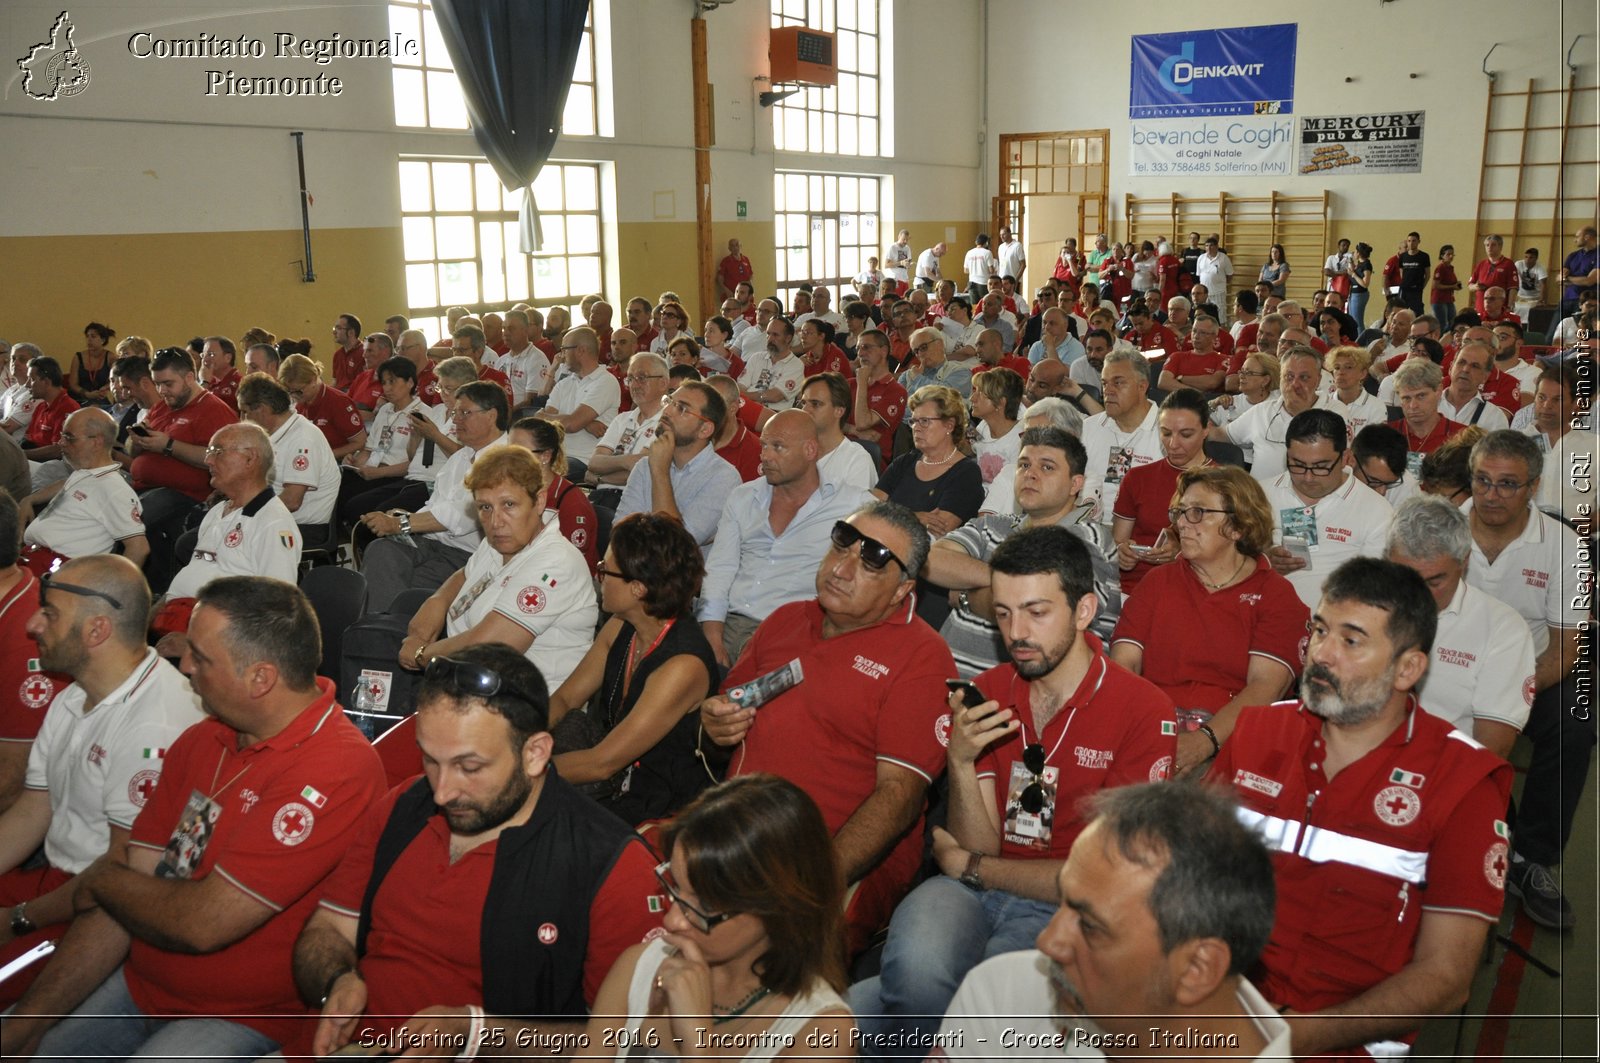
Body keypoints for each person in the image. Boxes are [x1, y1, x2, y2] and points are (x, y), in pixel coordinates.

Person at [1, 577, 385, 1060]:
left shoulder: (333, 767)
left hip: (241, 1013)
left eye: (200, 658)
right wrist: (30, 1020)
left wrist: (100, 883)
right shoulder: (205, 738)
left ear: (260, 678)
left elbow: (201, 923)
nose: (183, 666)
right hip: (142, 980)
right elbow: (127, 884)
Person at [851, 525, 1175, 1052]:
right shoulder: (992, 690)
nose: (1016, 632)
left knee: (989, 998)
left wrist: (974, 868)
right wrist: (960, 761)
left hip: (1066, 910)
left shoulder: (1143, 710)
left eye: (1035, 612)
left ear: (1085, 611)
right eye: (1002, 613)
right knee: (911, 973)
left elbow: (1103, 883)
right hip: (969, 891)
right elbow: (976, 845)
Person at [1210, 558, 1512, 1059]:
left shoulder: (1463, 784)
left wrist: (1290, 1038)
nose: (1321, 655)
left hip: (1344, 1041)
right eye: (1320, 629)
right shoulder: (1259, 731)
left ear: (1408, 669)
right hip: (1220, 1000)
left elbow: (1446, 977)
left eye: (1351, 641)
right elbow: (1184, 873)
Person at [296, 643, 661, 1058]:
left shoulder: (610, 865)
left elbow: (631, 1044)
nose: (442, 790)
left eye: (470, 768)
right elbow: (327, 930)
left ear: (535, 753)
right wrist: (338, 979)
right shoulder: (405, 805)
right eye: (431, 760)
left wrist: (476, 1034)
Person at [700, 502, 955, 953]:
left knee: (756, 955)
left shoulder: (923, 658)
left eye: (873, 558)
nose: (842, 566)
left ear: (902, 590)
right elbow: (724, 712)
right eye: (842, 542)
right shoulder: (786, 620)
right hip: (738, 832)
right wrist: (715, 724)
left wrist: (814, 883)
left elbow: (898, 798)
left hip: (834, 857)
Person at [936, 782, 1290, 1062]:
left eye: (1090, 926)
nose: (1048, 942)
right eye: (1064, 903)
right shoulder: (1004, 993)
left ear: (1197, 968)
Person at [0, 556, 201, 1003]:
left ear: (96, 631)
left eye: (49, 613)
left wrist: (17, 918)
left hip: (93, 909)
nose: (33, 624)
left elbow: (120, 872)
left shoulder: (155, 726)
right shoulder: (76, 692)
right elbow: (35, 808)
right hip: (54, 882)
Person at [589, 775, 852, 1057]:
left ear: (778, 909)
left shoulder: (822, 1032)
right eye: (675, 886)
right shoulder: (639, 966)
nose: (672, 921)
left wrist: (698, 1045)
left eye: (705, 905)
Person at [1463, 431, 1591, 930]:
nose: (1492, 494)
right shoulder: (1441, 529)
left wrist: (1506, 697)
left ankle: (1532, 858)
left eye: (1508, 484)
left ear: (1534, 487)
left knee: (1575, 725)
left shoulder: (1567, 548)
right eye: (1482, 481)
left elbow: (1566, 649)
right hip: (1447, 667)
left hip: (1533, 673)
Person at [1111, 467, 1308, 777]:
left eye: (1198, 513)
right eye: (1179, 512)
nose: (1181, 525)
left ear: (1238, 527)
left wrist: (1205, 741)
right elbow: (1124, 668)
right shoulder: (1157, 582)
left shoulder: (1276, 596)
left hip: (1230, 743)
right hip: (1151, 732)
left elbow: (1265, 687)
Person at [544, 514, 719, 824]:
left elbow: (603, 763)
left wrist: (517, 771)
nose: (599, 575)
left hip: (658, 803)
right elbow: (565, 700)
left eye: (605, 570)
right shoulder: (621, 625)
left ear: (637, 588)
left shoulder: (684, 665)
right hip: (614, 777)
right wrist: (515, 741)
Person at [399, 446, 596, 693]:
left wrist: (420, 653)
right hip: (470, 684)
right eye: (485, 507)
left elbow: (490, 649)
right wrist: (437, 602)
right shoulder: (503, 539)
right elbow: (464, 575)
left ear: (539, 501)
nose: (495, 521)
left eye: (509, 504)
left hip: (523, 704)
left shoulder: (555, 562)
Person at [932, 428, 1120, 679]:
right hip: (946, 683)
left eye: (1047, 467)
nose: (1030, 474)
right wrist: (1007, 581)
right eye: (1023, 465)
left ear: (1076, 483)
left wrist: (967, 589)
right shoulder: (992, 525)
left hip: (1028, 697)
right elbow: (932, 559)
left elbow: (1044, 614)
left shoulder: (1088, 538)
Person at [700, 409, 874, 665]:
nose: (765, 457)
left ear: (810, 450)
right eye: (764, 446)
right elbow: (719, 569)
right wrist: (712, 635)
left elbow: (909, 543)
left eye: (778, 447)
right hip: (727, 621)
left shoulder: (851, 505)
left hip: (791, 634)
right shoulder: (743, 496)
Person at [1385, 496, 1535, 758]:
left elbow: (1492, 748)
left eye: (1434, 581)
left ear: (1464, 561)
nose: (1418, 595)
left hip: (1446, 769)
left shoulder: (1503, 629)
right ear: (1387, 559)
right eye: (1404, 578)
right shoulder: (1360, 607)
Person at [360, 381, 510, 613]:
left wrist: (400, 524)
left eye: (464, 413)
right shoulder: (462, 457)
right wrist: (408, 518)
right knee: (380, 550)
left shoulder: (506, 459)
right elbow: (436, 503)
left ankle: (382, 632)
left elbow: (464, 516)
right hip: (432, 543)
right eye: (455, 413)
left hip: (468, 556)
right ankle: (380, 629)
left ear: (491, 416)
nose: (456, 420)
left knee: (403, 587)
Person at [126, 347, 238, 592]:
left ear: (189, 378)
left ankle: (131, 588)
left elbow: (219, 458)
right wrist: (139, 441)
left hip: (184, 493)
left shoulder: (214, 410)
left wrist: (168, 445)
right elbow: (134, 454)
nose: (162, 391)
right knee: (103, 502)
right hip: (145, 484)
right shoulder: (165, 405)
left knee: (129, 521)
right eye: (158, 384)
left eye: (168, 384)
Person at [1260, 408, 1394, 611]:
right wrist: (1263, 561)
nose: (1308, 477)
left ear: (1346, 458)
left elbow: (1374, 590)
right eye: (1297, 464)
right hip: (1263, 617)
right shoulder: (1258, 495)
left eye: (1321, 466)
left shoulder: (1377, 511)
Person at [163, 422, 303, 605]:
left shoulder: (273, 522)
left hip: (217, 629)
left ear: (250, 458)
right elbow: (195, 571)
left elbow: (277, 605)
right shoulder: (217, 511)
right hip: (178, 615)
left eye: (218, 451)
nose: (208, 460)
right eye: (209, 451)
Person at [615, 380, 741, 553]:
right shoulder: (645, 465)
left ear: (705, 429)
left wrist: (660, 471)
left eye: (681, 408)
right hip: (635, 571)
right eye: (669, 402)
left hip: (685, 579)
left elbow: (676, 547)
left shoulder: (724, 477)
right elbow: (619, 533)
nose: (666, 411)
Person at [18, 408, 149, 569]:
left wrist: (109, 590)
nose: (61, 443)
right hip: (33, 556)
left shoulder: (114, 489)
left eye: (69, 438)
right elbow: (67, 484)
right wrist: (30, 499)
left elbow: (139, 548)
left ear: (96, 442)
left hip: (55, 570)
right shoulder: (87, 473)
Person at [1112, 389, 1214, 593]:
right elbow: (1119, 540)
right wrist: (1123, 553)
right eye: (1166, 433)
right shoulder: (1137, 478)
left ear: (1206, 430)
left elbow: (1229, 556)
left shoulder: (1227, 484)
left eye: (1186, 434)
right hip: (1135, 588)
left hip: (1195, 589)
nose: (1173, 444)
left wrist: (1182, 553)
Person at [236, 372, 342, 541]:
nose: (242, 419)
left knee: (202, 543)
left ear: (263, 409)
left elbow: (292, 501)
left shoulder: (303, 438)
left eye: (245, 412)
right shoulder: (273, 434)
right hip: (273, 519)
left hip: (299, 527)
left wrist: (245, 512)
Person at [1211, 347, 1339, 483]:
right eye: (1289, 376)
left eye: (1304, 377)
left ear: (1318, 380)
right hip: (1260, 500)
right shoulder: (1262, 411)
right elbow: (1218, 434)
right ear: (1281, 378)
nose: (1295, 384)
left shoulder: (1334, 412)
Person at [508, 417, 599, 573]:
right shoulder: (512, 490)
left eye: (520, 452)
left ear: (545, 456)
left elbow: (569, 568)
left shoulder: (572, 504)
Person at [1081, 348, 1162, 519]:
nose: (1107, 391)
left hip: (1143, 535)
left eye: (1118, 383)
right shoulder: (1088, 429)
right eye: (1104, 383)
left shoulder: (1167, 432)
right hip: (1089, 531)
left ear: (1142, 387)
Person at [538, 326, 621, 467]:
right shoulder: (564, 383)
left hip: (585, 460)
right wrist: (586, 423)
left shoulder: (605, 381)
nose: (562, 355)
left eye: (565, 349)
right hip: (558, 457)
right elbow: (543, 425)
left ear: (581, 350)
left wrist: (576, 421)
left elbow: (571, 424)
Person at [1524, 361, 1594, 528]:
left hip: (1578, 540)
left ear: (1576, 404)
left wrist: (1571, 531)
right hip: (1522, 539)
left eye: (1558, 399)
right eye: (1542, 397)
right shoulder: (1514, 443)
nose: (1547, 405)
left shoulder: (1594, 447)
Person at [798, 373, 876, 491]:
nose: (805, 410)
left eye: (815, 404)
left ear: (839, 411)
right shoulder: (793, 450)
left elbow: (860, 509)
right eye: (804, 403)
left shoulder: (857, 461)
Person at [969, 367, 1023, 485]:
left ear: (1000, 402)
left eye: (981, 393)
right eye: (975, 391)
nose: (972, 398)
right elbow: (971, 447)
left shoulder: (1019, 440)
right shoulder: (983, 427)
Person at [1323, 345, 1387, 435]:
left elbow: (1376, 444)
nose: (1341, 372)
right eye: (1337, 368)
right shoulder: (1323, 403)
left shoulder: (1376, 406)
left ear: (1363, 373)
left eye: (1348, 367)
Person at [65, 322, 114, 408]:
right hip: (79, 398)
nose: (89, 340)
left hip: (99, 398)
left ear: (103, 340)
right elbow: (73, 384)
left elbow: (115, 379)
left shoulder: (110, 357)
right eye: (87, 336)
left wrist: (106, 388)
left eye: (93, 336)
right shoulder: (78, 357)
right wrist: (87, 394)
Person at [1557, 224, 1599, 320]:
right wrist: (1565, 278)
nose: (1575, 240)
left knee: (1582, 331)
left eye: (1577, 237)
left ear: (1587, 237)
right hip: (1567, 299)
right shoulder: (1573, 255)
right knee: (1555, 332)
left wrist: (1567, 278)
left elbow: (1590, 281)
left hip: (1586, 302)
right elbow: (1559, 278)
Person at [716, 237, 753, 301]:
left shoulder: (746, 260)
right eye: (732, 246)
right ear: (729, 248)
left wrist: (751, 291)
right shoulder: (725, 261)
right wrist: (726, 290)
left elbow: (750, 276)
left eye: (737, 245)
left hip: (746, 296)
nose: (735, 247)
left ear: (740, 246)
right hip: (732, 295)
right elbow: (719, 278)